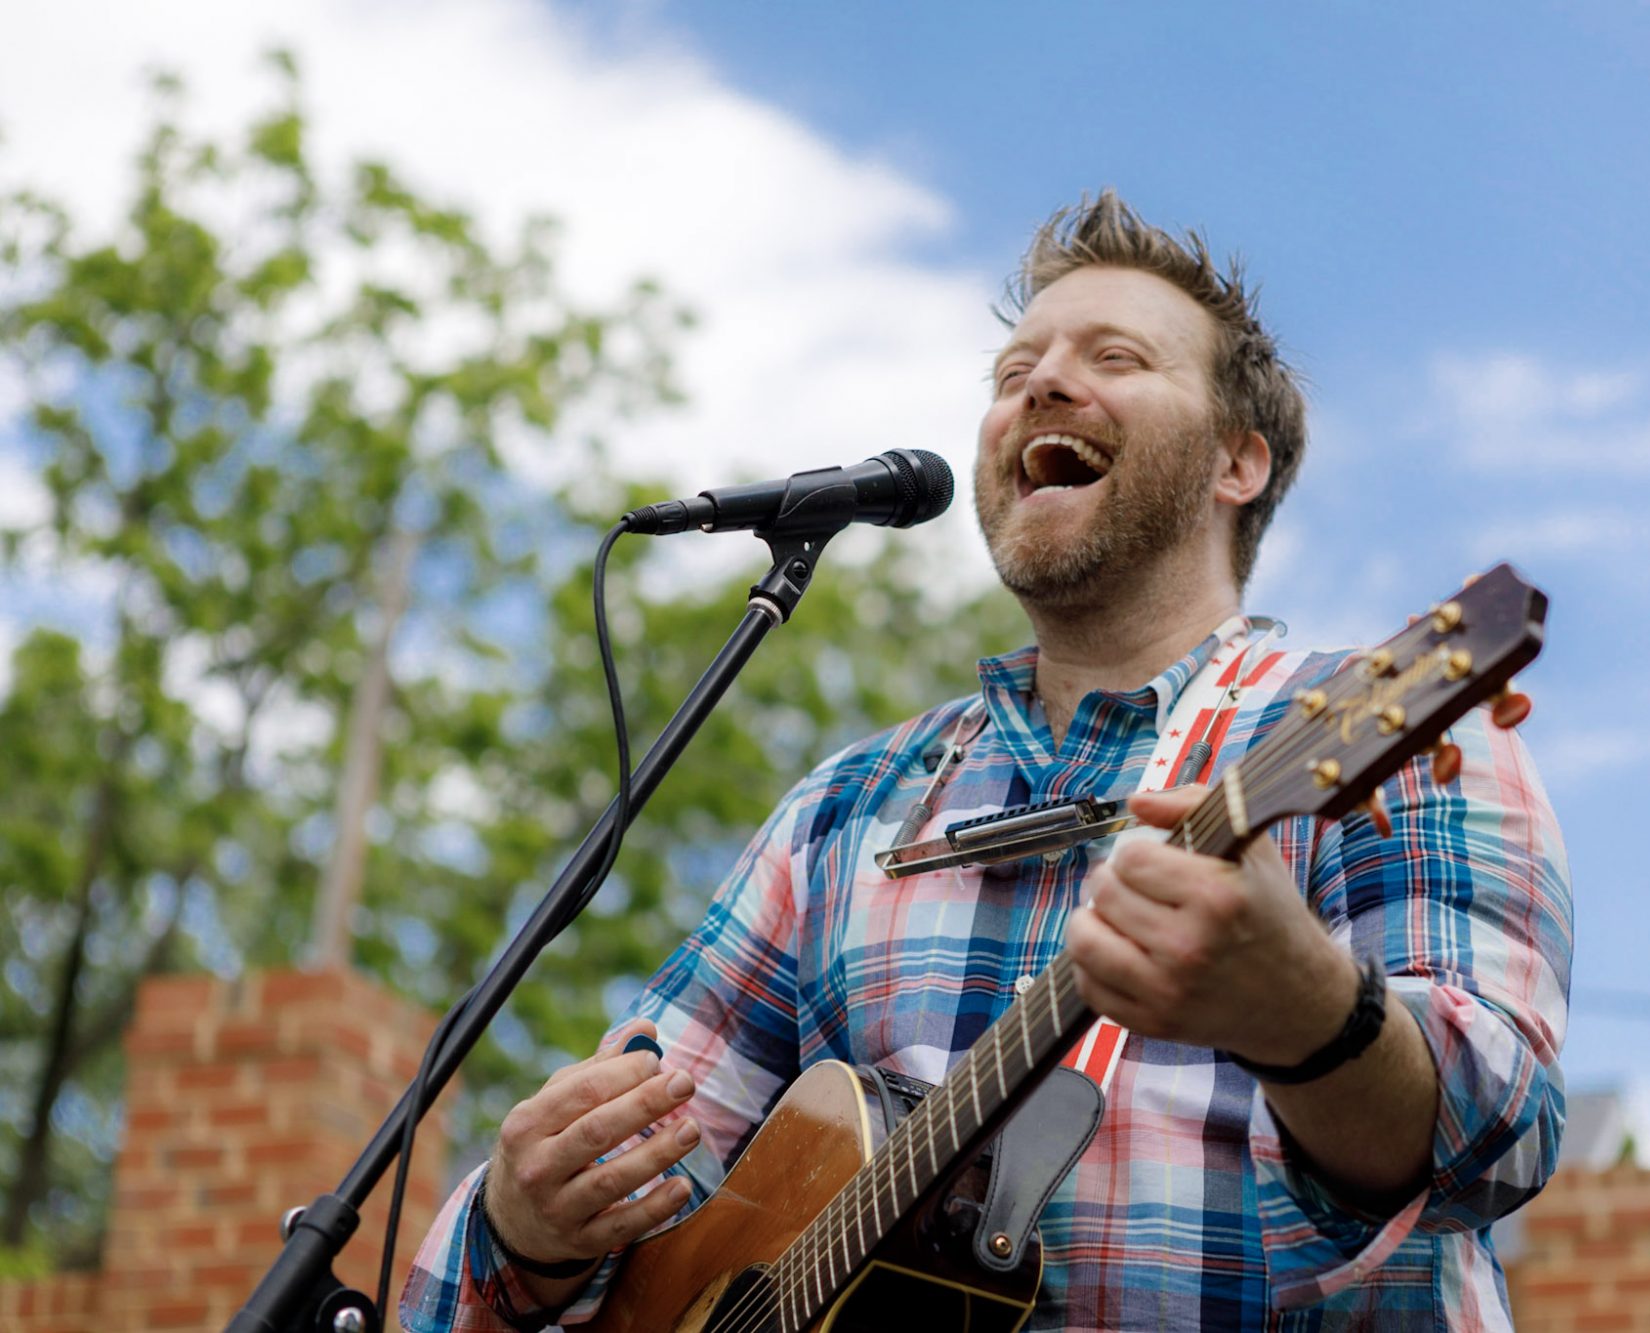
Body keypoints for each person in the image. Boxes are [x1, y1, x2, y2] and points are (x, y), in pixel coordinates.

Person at [403, 192, 1571, 1331]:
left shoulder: (1393, 736)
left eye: (1113, 357)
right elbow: (634, 1168)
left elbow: (1496, 1134)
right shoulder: (843, 811)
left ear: (1237, 463)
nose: (1043, 386)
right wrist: (526, 1226)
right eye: (1013, 374)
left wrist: (1303, 1010)